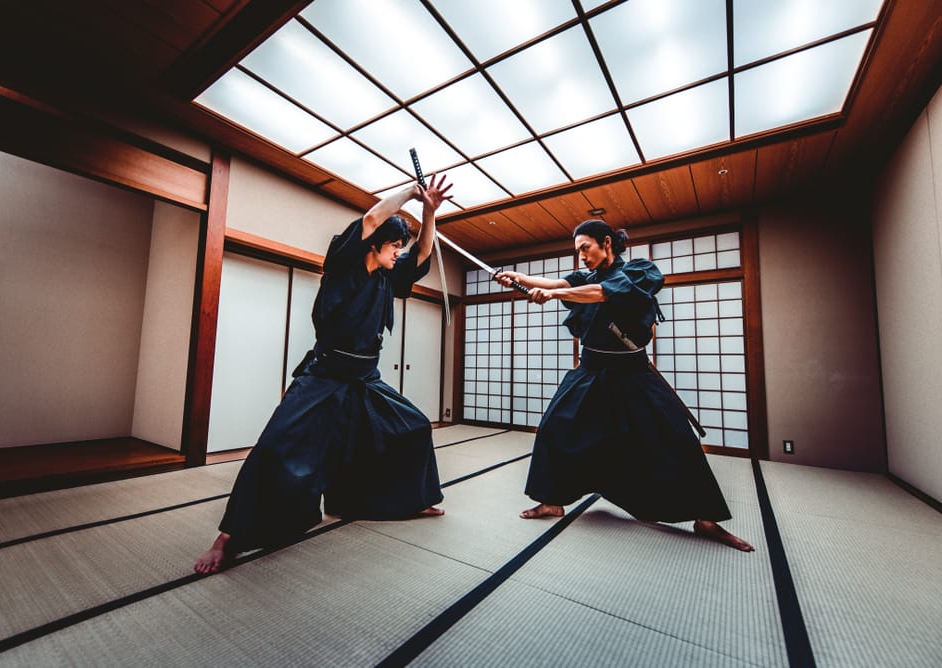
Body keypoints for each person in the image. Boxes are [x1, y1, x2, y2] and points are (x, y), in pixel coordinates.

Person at [195, 174, 454, 574]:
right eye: (394, 245)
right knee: (275, 447)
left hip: (366, 379)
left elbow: (422, 256)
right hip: (326, 374)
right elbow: (370, 218)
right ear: (374, 245)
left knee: (414, 426)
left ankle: (405, 499)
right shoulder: (344, 263)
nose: (398, 253)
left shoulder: (388, 277)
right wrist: (408, 193)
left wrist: (430, 212)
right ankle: (228, 538)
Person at [495, 220, 754, 552]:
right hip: (590, 370)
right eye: (576, 251)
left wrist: (554, 293)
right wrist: (519, 278)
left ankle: (706, 519)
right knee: (552, 428)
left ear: (606, 242)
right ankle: (552, 501)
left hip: (632, 371)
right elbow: (557, 281)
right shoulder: (583, 278)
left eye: (585, 248)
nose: (581, 257)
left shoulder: (639, 271)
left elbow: (601, 293)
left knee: (675, 438)